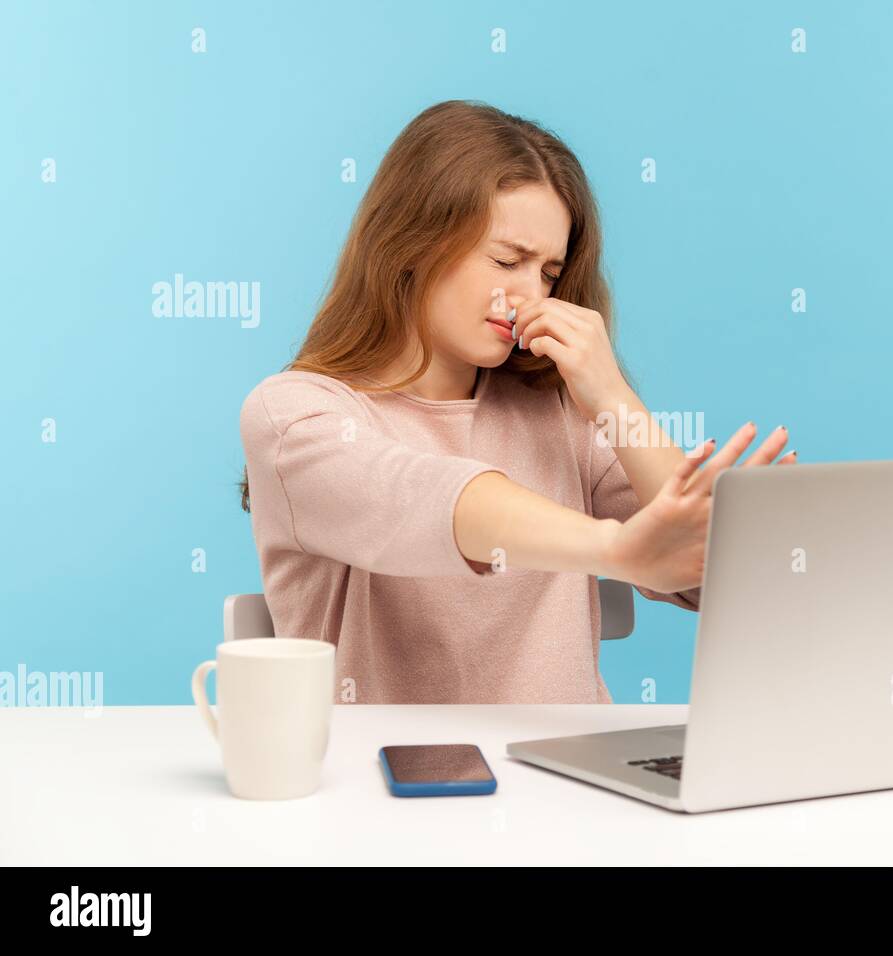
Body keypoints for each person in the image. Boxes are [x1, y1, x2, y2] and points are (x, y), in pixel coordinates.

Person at [238, 100, 793, 704]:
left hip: (570, 777)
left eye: (550, 273)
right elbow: (430, 497)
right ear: (412, 243)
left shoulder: (559, 415)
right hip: (388, 788)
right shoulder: (295, 417)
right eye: (507, 260)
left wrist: (612, 395)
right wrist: (617, 550)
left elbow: (707, 573)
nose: (530, 294)